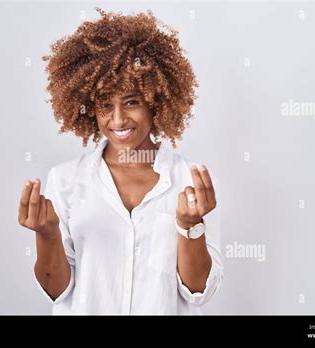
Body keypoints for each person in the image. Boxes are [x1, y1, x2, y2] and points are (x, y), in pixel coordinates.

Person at [18, 8, 223, 314]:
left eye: (131, 102)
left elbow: (197, 292)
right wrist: (47, 235)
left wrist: (190, 226)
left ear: (155, 102)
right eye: (104, 105)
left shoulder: (191, 184)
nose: (117, 120)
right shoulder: (65, 180)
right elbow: (57, 290)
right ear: (89, 107)